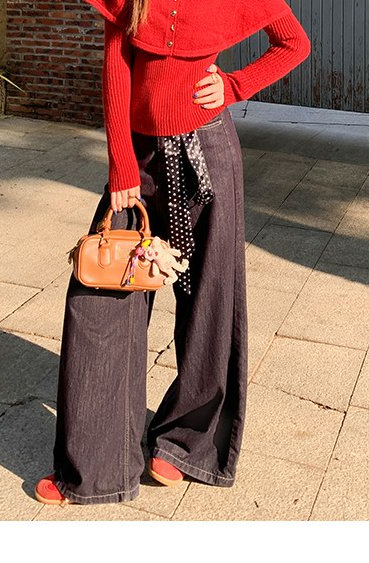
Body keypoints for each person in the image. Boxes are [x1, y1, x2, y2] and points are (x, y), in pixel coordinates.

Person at [35, 0, 311, 506]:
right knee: (101, 301)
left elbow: (293, 43)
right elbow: (116, 71)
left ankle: (186, 443)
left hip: (209, 155)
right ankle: (95, 467)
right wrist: (121, 165)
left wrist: (235, 86)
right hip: (138, 163)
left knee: (210, 300)